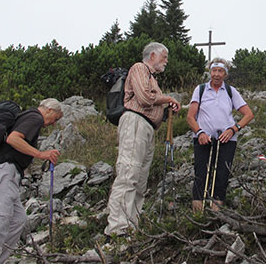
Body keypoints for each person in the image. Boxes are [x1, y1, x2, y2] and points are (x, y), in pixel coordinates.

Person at [0, 98, 63, 264]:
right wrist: (41, 154)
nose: (54, 123)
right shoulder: (35, 117)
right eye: (56, 118)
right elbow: (13, 139)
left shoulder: (26, 117)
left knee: (17, 220)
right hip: (0, 171)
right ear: (49, 110)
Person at [105, 42, 181, 236]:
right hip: (135, 122)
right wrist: (168, 99)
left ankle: (132, 224)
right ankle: (118, 228)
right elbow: (145, 98)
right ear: (152, 55)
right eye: (164, 57)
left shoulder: (152, 77)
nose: (166, 61)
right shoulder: (139, 68)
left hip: (146, 127)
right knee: (129, 172)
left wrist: (166, 106)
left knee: (140, 179)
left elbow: (152, 101)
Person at [187, 58, 254, 212]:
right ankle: (198, 213)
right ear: (210, 72)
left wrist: (233, 129)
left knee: (222, 174)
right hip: (203, 138)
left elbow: (248, 114)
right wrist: (199, 132)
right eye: (214, 70)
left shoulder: (231, 91)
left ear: (225, 74)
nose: (216, 74)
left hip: (227, 140)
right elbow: (190, 116)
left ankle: (216, 213)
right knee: (201, 173)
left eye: (220, 71)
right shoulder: (201, 89)